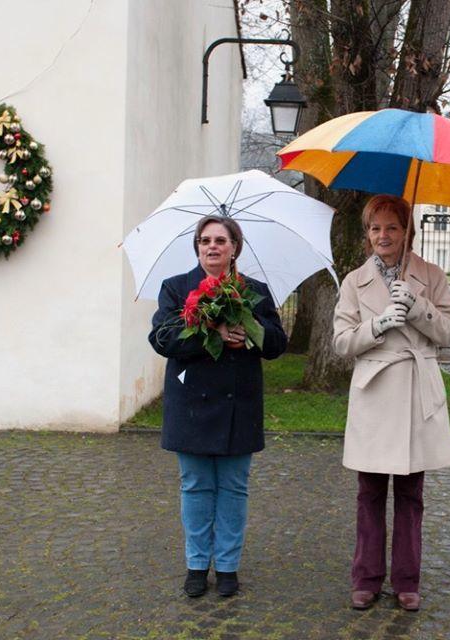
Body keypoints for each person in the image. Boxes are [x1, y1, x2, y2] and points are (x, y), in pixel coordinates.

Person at [149, 215, 288, 598]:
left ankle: (227, 566)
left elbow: (278, 342)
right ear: (197, 246)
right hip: (191, 404)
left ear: (234, 248)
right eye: (205, 240)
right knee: (195, 486)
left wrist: (249, 337)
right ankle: (196, 564)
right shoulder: (176, 289)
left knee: (233, 487)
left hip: (237, 405)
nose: (212, 246)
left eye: (221, 241)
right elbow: (162, 338)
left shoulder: (254, 291)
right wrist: (212, 332)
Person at [333, 195, 450, 612]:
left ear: (407, 231)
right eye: (375, 228)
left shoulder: (432, 276)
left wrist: (418, 307)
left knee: (410, 492)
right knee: (369, 492)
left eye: (391, 227)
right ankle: (366, 578)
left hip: (414, 393)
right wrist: (378, 324)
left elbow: (449, 333)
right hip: (374, 392)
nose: (382, 236)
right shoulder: (354, 281)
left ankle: (407, 580)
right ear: (366, 234)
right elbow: (341, 342)